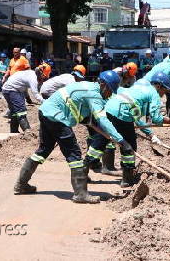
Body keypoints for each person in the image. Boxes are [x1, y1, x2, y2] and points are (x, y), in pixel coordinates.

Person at [13, 71, 127, 204]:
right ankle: (80, 194)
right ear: (103, 85)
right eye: (110, 91)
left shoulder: (87, 86)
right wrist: (121, 140)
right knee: (74, 154)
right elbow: (102, 119)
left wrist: (86, 119)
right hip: (57, 117)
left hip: (46, 112)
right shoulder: (94, 94)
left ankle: (21, 184)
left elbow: (79, 107)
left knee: (44, 150)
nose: (109, 95)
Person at [85, 72, 170, 184]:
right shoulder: (153, 93)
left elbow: (136, 117)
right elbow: (156, 118)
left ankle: (84, 169)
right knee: (129, 146)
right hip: (123, 116)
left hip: (109, 110)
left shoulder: (136, 87)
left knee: (101, 141)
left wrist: (150, 134)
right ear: (159, 86)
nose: (163, 94)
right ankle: (127, 179)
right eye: (164, 90)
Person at [2, 64, 49, 133]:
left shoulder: (32, 73)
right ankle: (28, 132)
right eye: (44, 78)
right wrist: (46, 102)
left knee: (15, 112)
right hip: (11, 90)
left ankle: (14, 132)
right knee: (21, 110)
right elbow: (36, 95)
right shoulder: (33, 79)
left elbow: (23, 85)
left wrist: (27, 98)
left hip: (9, 89)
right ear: (42, 75)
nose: (44, 80)